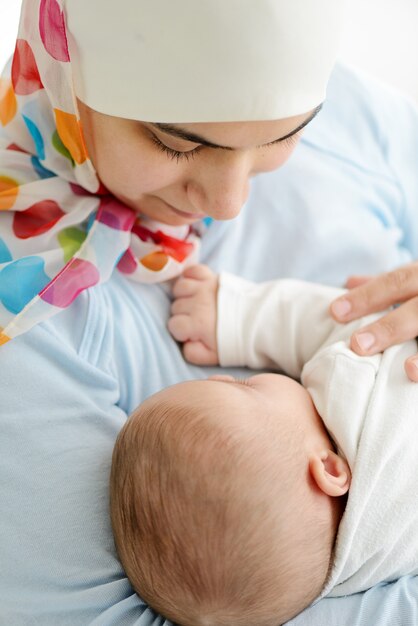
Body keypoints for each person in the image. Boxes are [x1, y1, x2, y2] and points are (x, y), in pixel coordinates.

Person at [2, 0, 418, 624]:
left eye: (284, 135)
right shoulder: (27, 326)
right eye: (174, 142)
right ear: (66, 67)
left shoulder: (351, 117)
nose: (229, 202)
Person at [110, 262, 418, 626]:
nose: (224, 376)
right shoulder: (350, 383)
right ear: (330, 469)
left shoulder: (385, 564)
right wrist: (238, 319)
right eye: (244, 388)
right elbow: (347, 323)